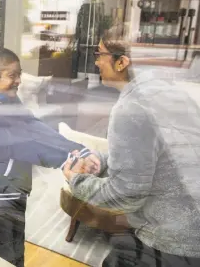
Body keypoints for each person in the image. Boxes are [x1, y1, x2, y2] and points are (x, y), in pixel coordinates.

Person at [63, 25, 200, 267]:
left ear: (121, 62)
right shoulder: (169, 92)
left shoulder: (132, 109)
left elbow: (125, 196)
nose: (96, 62)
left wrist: (76, 180)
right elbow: (153, 157)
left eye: (99, 54)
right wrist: (102, 160)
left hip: (172, 241)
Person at [0, 48, 100, 267]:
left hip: (16, 185)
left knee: (17, 243)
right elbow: (22, 145)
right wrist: (68, 160)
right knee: (4, 252)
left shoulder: (8, 100)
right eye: (12, 75)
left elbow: (33, 127)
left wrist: (77, 149)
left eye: (19, 74)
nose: (19, 81)